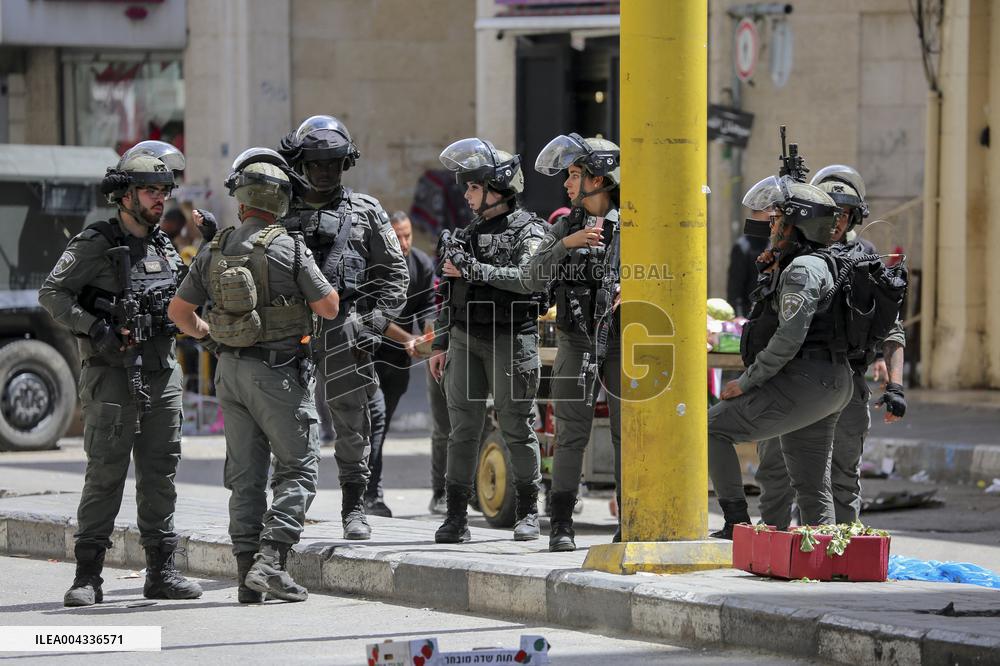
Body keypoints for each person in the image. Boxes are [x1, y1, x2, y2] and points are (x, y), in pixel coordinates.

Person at [168, 148, 340, 603]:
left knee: (245, 477)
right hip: (279, 376)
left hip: (230, 374)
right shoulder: (290, 247)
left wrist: (211, 339)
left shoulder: (214, 248)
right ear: (280, 202)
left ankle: (248, 576)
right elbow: (328, 307)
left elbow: (179, 312)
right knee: (299, 468)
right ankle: (271, 561)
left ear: (242, 202)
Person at [39, 140, 203, 607]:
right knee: (105, 474)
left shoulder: (163, 244)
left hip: (162, 373)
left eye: (163, 192)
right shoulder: (96, 242)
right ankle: (88, 576)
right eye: (150, 191)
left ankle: (161, 572)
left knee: (161, 472)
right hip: (111, 374)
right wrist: (96, 327)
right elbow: (52, 294)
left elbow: (182, 302)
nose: (159, 199)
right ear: (126, 195)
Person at [277, 115, 409, 540]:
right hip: (289, 327)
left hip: (345, 328)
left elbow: (396, 275)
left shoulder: (366, 211)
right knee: (286, 418)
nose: (325, 171)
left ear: (345, 163)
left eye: (333, 163)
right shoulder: (279, 208)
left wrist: (375, 324)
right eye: (316, 163)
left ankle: (354, 507)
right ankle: (285, 509)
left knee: (352, 423)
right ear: (302, 164)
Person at [755, 165, 907, 529]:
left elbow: (891, 325)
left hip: (842, 379)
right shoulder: (789, 250)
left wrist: (896, 385)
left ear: (854, 216)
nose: (836, 221)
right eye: (830, 211)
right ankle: (771, 546)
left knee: (842, 478)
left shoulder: (863, 259)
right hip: (786, 379)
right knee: (776, 475)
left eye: (844, 213)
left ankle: (842, 550)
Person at [708, 172, 852, 538]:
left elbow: (789, 337)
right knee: (811, 483)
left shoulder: (803, 270)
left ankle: (736, 523)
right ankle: (824, 553)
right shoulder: (819, 262)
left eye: (778, 221)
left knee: (711, 429)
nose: (771, 227)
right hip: (829, 382)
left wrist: (747, 382)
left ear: (796, 226)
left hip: (803, 382)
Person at [428, 137, 547, 543]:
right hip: (464, 338)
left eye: (474, 187)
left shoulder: (530, 231)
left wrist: (474, 270)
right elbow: (448, 292)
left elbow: (528, 279)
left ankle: (528, 511)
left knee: (515, 426)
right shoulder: (468, 233)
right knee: (462, 429)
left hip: (510, 339)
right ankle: (456, 517)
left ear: (497, 188)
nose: (467, 194)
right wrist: (440, 342)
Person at [524, 133, 623, 551]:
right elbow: (531, 276)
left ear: (597, 179)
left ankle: (630, 522)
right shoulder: (566, 225)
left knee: (626, 434)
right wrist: (567, 244)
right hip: (576, 342)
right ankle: (561, 524)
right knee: (569, 435)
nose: (567, 184)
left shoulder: (633, 225)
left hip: (621, 343)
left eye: (575, 175)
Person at [365, 212, 437, 516]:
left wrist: (429, 335)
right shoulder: (372, 264)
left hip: (398, 362)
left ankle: (365, 491)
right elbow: (371, 314)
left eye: (407, 235)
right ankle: (371, 495)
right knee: (376, 421)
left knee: (378, 428)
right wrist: (408, 338)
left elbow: (428, 306)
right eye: (397, 236)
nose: (404, 242)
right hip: (367, 356)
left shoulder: (421, 264)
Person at [727, 233, 769, 318]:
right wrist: (739, 316)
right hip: (748, 311)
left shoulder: (771, 244)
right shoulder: (742, 246)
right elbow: (735, 287)